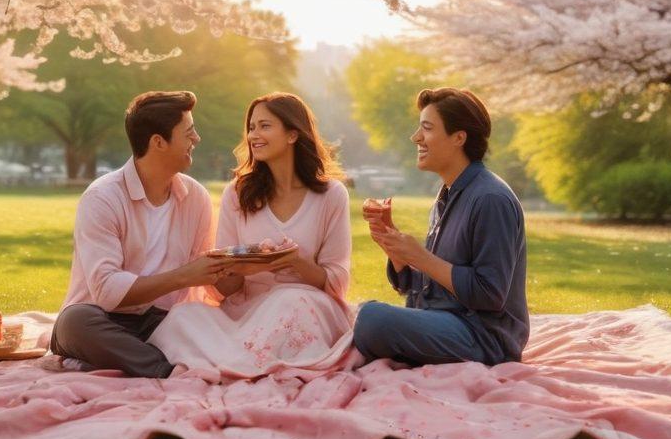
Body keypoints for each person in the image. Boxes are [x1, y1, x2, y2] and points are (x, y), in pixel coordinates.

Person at [149, 92, 356, 377]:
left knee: (288, 299)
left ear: (293, 134)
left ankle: (233, 364)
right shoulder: (238, 192)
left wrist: (294, 262)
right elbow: (223, 287)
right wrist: (236, 269)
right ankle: (242, 362)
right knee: (185, 315)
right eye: (251, 127)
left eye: (264, 126)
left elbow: (336, 281)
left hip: (305, 306)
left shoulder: (331, 195)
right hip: (245, 311)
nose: (253, 135)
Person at [49, 91, 231, 378]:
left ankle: (126, 358)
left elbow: (207, 279)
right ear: (158, 142)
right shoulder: (102, 197)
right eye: (189, 133)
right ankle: (166, 369)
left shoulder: (195, 197)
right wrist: (186, 275)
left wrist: (238, 268)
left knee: (198, 320)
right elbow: (108, 292)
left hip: (159, 322)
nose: (196, 139)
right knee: (74, 322)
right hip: (100, 317)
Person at [353, 88, 529, 366]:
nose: (416, 137)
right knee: (360, 314)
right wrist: (399, 254)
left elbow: (490, 294)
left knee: (371, 319)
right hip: (446, 321)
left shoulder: (490, 199)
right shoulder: (447, 194)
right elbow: (430, 287)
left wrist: (421, 257)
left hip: (484, 338)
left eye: (427, 128)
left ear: (459, 138)